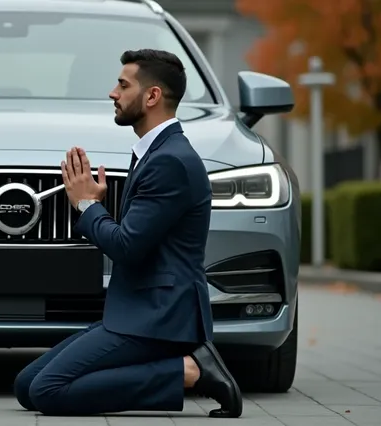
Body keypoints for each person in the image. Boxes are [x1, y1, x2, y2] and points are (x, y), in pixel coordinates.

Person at [13, 49, 242, 418]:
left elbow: (127, 246)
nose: (112, 93)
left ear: (151, 96)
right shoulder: (157, 153)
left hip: (159, 319)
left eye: (123, 84)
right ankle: (176, 368)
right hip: (136, 312)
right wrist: (93, 205)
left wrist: (88, 206)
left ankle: (189, 370)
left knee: (48, 390)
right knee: (28, 385)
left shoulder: (170, 160)